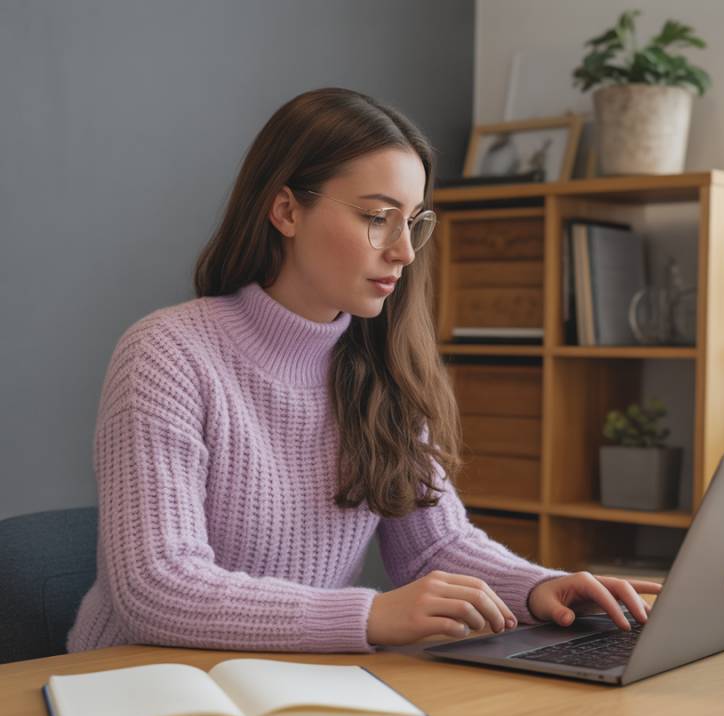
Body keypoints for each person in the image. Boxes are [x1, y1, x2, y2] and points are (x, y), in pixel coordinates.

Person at [67, 88, 660, 654]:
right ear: (286, 210)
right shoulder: (167, 355)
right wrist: (368, 616)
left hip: (291, 686)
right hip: (139, 688)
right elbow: (158, 587)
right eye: (378, 217)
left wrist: (538, 589)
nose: (404, 251)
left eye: (414, 222)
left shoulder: (380, 367)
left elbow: (434, 547)